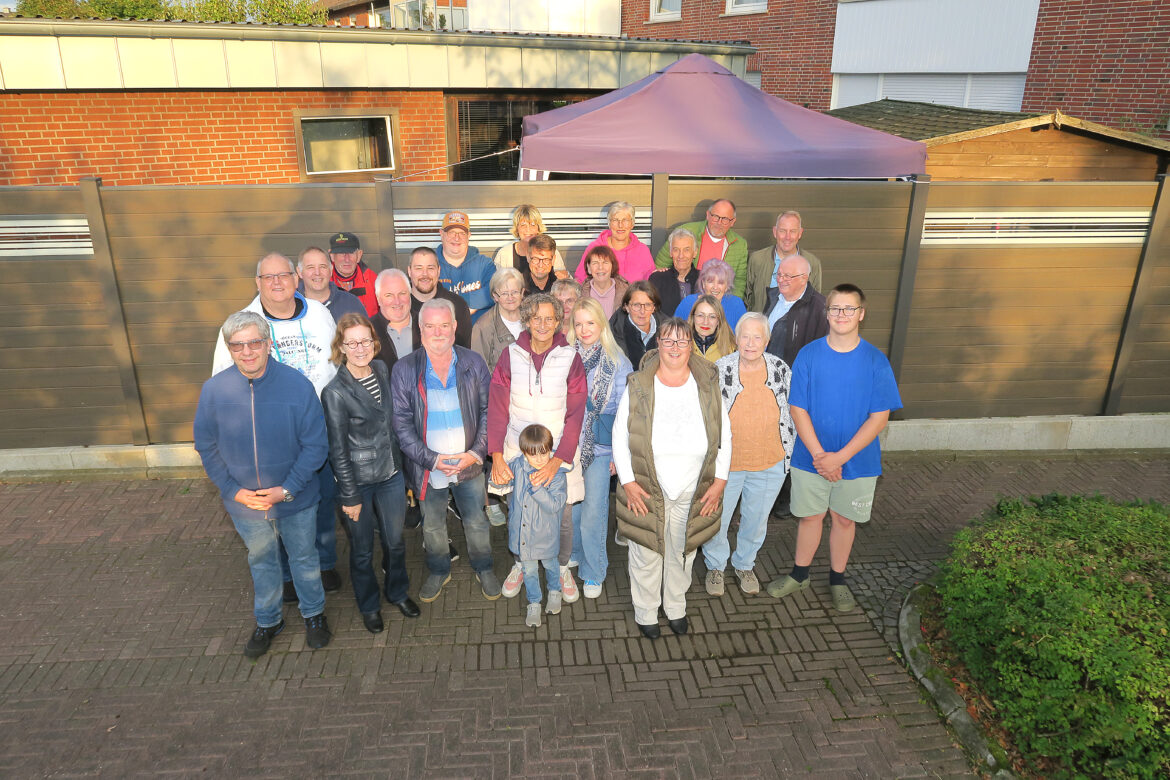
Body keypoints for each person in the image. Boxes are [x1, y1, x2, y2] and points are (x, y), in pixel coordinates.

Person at [194, 311, 331, 657]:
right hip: (247, 504)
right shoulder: (214, 391)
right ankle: (269, 620)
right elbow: (206, 446)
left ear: (268, 344)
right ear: (229, 349)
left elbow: (316, 446)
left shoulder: (298, 386)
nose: (247, 352)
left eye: (254, 342)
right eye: (238, 345)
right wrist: (234, 491)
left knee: (304, 558)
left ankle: (314, 615)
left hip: (295, 498)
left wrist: (287, 489)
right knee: (262, 561)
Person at [211, 252, 342, 598]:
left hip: (319, 432)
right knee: (277, 508)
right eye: (268, 277)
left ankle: (324, 563)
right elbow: (223, 385)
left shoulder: (319, 313)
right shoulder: (241, 325)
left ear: (296, 278)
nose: (277, 283)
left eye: (283, 275)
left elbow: (336, 362)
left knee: (321, 501)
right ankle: (285, 574)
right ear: (257, 283)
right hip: (271, 440)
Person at [767, 284, 902, 613]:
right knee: (810, 517)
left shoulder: (876, 361)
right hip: (810, 457)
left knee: (843, 520)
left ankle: (838, 579)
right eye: (835, 308)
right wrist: (820, 456)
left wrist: (839, 458)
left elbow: (879, 417)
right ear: (826, 313)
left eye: (849, 308)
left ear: (861, 314)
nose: (842, 315)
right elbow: (798, 408)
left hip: (858, 461)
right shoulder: (809, 355)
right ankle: (800, 575)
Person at [612, 317, 731, 639]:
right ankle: (646, 611)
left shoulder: (707, 384)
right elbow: (620, 434)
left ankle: (676, 606)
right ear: (658, 344)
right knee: (646, 552)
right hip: (647, 487)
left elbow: (725, 434)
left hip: (694, 487)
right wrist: (628, 482)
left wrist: (720, 481)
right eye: (668, 340)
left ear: (691, 345)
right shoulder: (639, 384)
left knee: (683, 551)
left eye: (681, 341)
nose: (675, 347)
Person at [390, 299, 501, 603]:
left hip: (470, 463)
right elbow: (401, 425)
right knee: (433, 525)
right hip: (428, 468)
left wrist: (475, 453)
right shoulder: (404, 369)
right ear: (420, 329)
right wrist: (433, 460)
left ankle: (484, 566)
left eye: (444, 325)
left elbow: (489, 411)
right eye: (430, 326)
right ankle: (439, 569)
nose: (437, 332)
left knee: (476, 520)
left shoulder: (473, 362)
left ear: (454, 327)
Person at [321, 313, 418, 633]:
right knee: (362, 551)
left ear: (374, 343)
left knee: (395, 542)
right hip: (358, 482)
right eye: (352, 343)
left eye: (365, 340)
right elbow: (337, 450)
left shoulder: (381, 369)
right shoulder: (335, 392)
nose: (360, 348)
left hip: (390, 474)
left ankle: (398, 592)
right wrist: (349, 496)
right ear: (341, 347)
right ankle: (369, 606)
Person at [487, 293, 587, 603]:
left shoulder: (570, 358)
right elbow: (497, 408)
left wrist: (557, 461)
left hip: (559, 455)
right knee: (519, 513)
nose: (542, 324)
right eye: (536, 318)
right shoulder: (510, 355)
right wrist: (497, 456)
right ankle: (521, 564)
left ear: (558, 322)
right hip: (517, 453)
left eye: (549, 319)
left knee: (563, 517)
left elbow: (576, 414)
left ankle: (561, 568)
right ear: (526, 321)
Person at [703, 313, 795, 596]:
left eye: (757, 337)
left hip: (770, 461)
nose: (751, 343)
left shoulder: (780, 368)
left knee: (756, 521)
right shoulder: (720, 369)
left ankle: (744, 564)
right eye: (745, 336)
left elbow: (792, 411)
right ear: (736, 339)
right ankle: (715, 566)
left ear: (767, 341)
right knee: (718, 519)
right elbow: (707, 415)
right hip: (727, 465)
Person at [566, 298, 632, 599]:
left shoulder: (617, 361)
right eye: (578, 323)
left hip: (601, 447)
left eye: (590, 322)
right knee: (573, 507)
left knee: (593, 512)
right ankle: (575, 551)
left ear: (601, 324)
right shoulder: (565, 357)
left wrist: (619, 454)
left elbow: (625, 413)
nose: (584, 329)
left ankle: (594, 570)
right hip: (569, 446)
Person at [507, 423, 568, 628]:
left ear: (550, 449)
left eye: (544, 452)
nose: (540, 459)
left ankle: (554, 591)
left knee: (551, 565)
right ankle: (534, 602)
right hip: (524, 536)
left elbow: (555, 505)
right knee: (529, 571)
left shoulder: (557, 475)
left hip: (546, 536)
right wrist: (498, 478)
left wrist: (537, 489)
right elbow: (502, 481)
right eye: (533, 454)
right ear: (524, 453)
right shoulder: (517, 466)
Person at [653, 199, 748, 297]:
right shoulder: (686, 231)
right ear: (708, 215)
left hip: (719, 300)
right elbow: (661, 263)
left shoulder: (740, 245)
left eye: (725, 219)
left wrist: (731, 302)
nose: (719, 222)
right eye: (715, 217)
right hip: (684, 294)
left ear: (732, 222)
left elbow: (739, 281)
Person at [745, 210, 823, 313]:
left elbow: (815, 303)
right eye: (782, 231)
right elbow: (747, 298)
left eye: (793, 231)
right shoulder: (757, 259)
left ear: (800, 233)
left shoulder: (812, 263)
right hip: (762, 322)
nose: (787, 237)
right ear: (775, 232)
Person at [763, 254, 829, 369]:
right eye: (779, 274)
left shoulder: (820, 308)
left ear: (804, 278)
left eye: (787, 276)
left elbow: (821, 353)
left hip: (795, 375)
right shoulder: (772, 297)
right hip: (766, 372)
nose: (780, 280)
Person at [407, 246, 473, 348]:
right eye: (419, 268)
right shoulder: (400, 306)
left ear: (438, 271)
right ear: (409, 271)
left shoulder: (458, 305)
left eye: (430, 268)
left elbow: (464, 350)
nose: (425, 274)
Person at [435, 211, 495, 322]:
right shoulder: (430, 265)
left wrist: (455, 304)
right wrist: (472, 304)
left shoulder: (485, 264)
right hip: (441, 329)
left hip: (479, 330)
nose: (456, 238)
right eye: (451, 232)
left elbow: (495, 291)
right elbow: (423, 297)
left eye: (462, 233)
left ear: (469, 235)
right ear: (441, 234)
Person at [573, 202, 654, 283]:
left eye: (625, 220)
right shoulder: (594, 248)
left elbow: (651, 281)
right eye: (615, 220)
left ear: (632, 224)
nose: (620, 225)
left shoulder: (642, 250)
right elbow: (580, 279)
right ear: (609, 223)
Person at [470, 267, 525, 373]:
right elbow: (479, 372)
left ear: (522, 293)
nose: (510, 298)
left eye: (514, 292)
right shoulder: (482, 327)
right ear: (495, 296)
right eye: (504, 293)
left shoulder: (533, 318)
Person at [492, 204, 568, 278]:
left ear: (538, 228)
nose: (528, 229)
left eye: (533, 224)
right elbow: (495, 283)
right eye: (523, 225)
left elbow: (565, 279)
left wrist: (564, 276)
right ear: (517, 228)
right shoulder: (504, 254)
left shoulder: (550, 251)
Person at [673, 259, 747, 330]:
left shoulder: (737, 304)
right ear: (703, 283)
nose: (715, 287)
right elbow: (674, 330)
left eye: (720, 283)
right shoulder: (688, 302)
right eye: (710, 281)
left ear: (727, 286)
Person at [297, 246, 366, 321]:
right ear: (299, 272)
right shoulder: (291, 304)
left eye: (323, 267)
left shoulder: (351, 303)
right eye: (310, 267)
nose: (317, 273)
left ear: (331, 270)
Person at [369, 268, 418, 374]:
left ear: (410, 294)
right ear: (378, 299)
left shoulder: (427, 325)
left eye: (402, 293)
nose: (397, 301)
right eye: (389, 295)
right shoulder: (367, 332)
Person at [608, 281, 665, 369]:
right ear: (627, 307)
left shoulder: (667, 329)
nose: (642, 311)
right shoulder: (613, 332)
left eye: (648, 305)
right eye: (636, 305)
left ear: (654, 307)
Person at [648, 227, 700, 317]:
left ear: (695, 252)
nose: (681, 255)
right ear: (671, 252)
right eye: (676, 250)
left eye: (686, 250)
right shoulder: (657, 279)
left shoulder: (704, 279)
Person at [328, 232, 378, 316]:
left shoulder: (374, 281)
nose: (347, 259)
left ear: (359, 255)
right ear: (332, 256)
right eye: (341, 253)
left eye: (351, 253)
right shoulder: (323, 282)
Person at [579, 244, 628, 319]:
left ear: (612, 266)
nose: (600, 267)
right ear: (589, 268)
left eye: (605, 262)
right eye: (595, 263)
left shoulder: (627, 293)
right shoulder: (579, 294)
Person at [687, 295, 736, 363]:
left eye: (712, 317)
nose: (705, 322)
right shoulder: (680, 346)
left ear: (718, 321)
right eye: (700, 315)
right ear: (693, 318)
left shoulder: (732, 350)